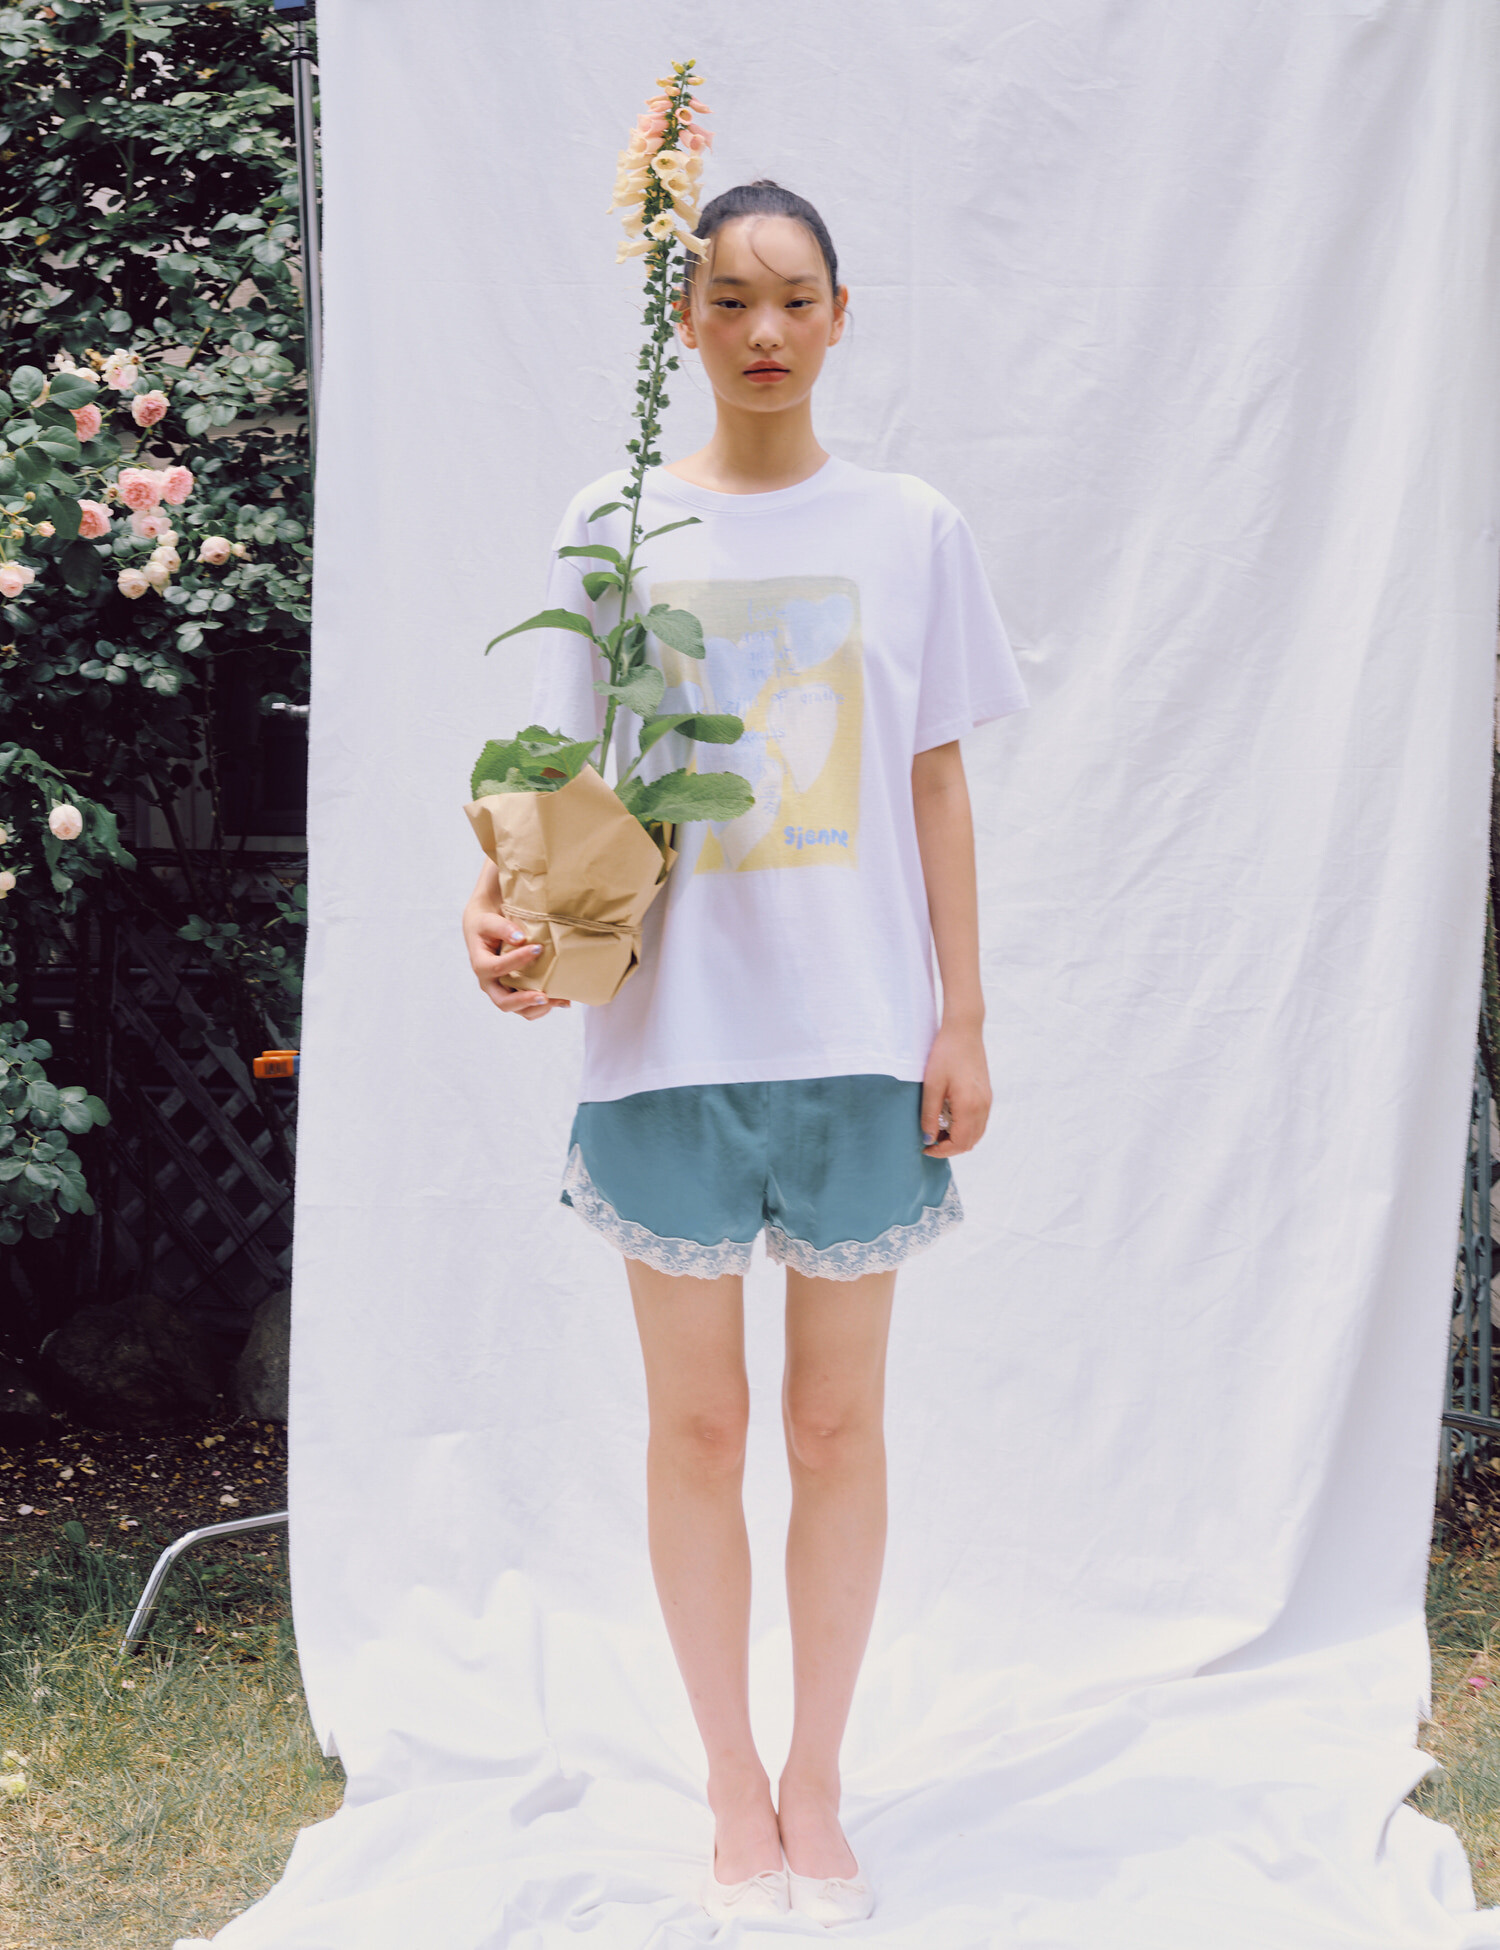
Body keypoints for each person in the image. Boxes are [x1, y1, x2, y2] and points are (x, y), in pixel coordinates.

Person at [462, 180, 1027, 1926]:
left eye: (795, 298)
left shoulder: (911, 527)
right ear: (684, 323)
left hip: (861, 1037)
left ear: (843, 316)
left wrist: (963, 1013)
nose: (764, 330)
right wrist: (494, 909)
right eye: (728, 299)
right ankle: (727, 1772)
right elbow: (548, 774)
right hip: (668, 1034)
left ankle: (819, 1775)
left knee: (837, 1424)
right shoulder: (615, 519)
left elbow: (935, 781)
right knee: (699, 1426)